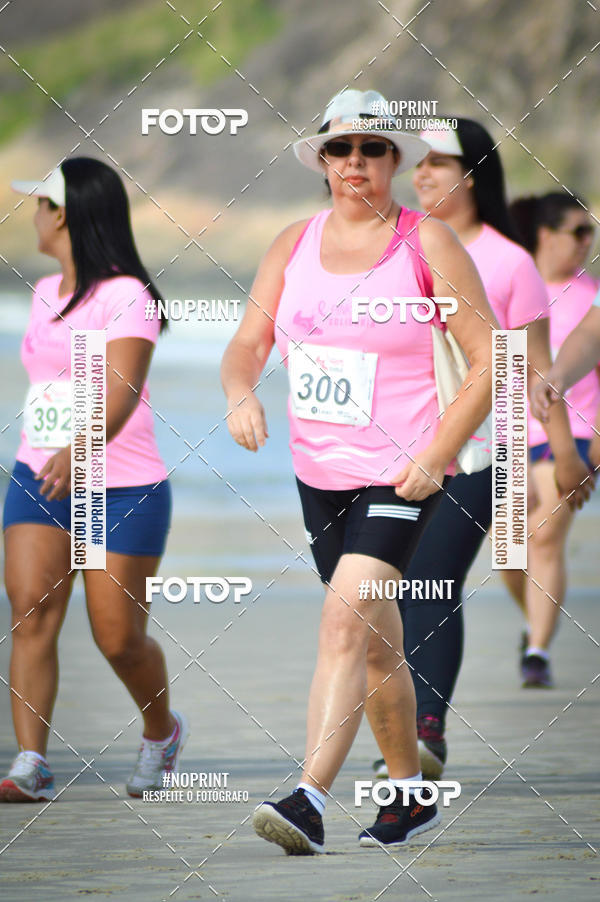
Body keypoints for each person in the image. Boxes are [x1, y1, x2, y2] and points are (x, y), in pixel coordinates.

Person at [221, 90, 496, 854]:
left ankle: (308, 797)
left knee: (344, 620)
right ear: (322, 161)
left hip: (403, 473)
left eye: (372, 149)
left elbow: (488, 362)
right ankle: (408, 793)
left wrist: (436, 454)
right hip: (319, 474)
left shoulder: (428, 243)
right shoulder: (291, 243)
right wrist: (240, 393)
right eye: (340, 149)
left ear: (392, 161)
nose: (355, 162)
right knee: (376, 642)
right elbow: (247, 343)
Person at [371, 121, 592, 784]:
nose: (425, 174)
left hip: (480, 452)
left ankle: (426, 730)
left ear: (475, 175)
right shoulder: (393, 245)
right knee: (385, 592)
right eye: (421, 163)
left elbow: (536, 366)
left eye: (442, 163)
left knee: (432, 580)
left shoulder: (508, 261)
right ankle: (407, 727)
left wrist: (564, 455)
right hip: (389, 453)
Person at [0, 158, 188, 803]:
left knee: (117, 637)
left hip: (124, 487)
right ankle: (31, 762)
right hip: (39, 478)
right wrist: (52, 454)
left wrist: (78, 451)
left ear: (68, 214)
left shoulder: (128, 295)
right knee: (30, 614)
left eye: (41, 204)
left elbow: (122, 390)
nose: (33, 215)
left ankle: (161, 733)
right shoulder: (46, 291)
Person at [501, 192, 599, 688]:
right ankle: (533, 621)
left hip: (576, 434)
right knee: (509, 550)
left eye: (591, 233)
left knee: (544, 537)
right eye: (577, 231)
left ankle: (537, 652)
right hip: (510, 434)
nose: (587, 242)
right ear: (545, 234)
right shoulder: (514, 285)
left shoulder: (591, 295)